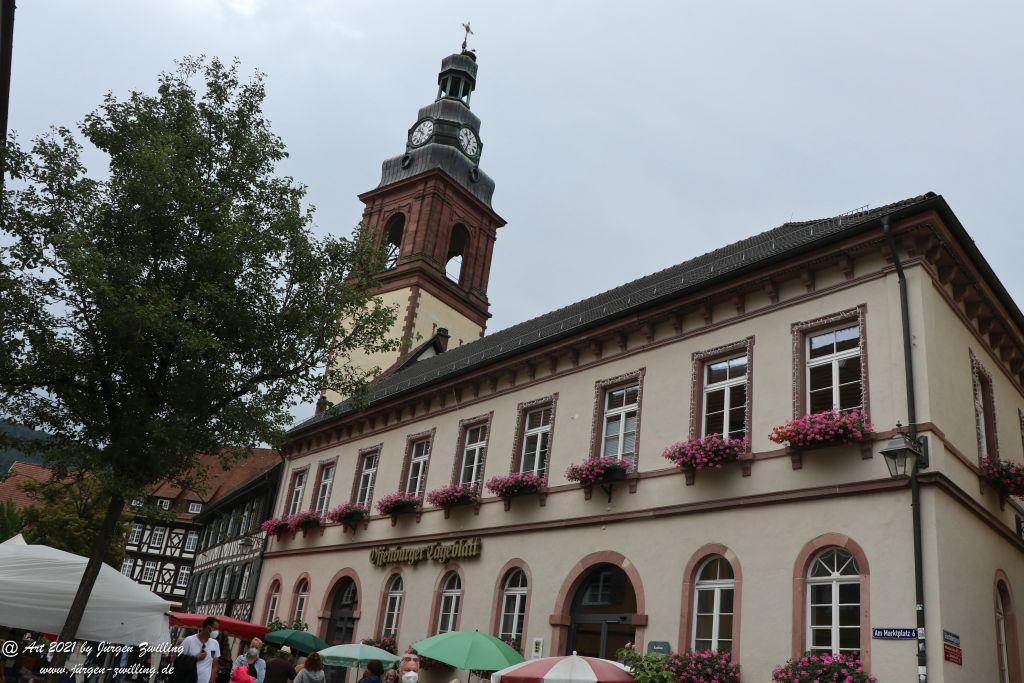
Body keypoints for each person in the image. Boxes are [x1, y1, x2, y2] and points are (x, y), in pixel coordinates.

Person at [179, 618, 222, 683]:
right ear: (208, 628)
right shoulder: (189, 641)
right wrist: (195, 658)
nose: (217, 632)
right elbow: (178, 660)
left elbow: (214, 664)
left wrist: (211, 680)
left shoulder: (214, 644)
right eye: (215, 629)